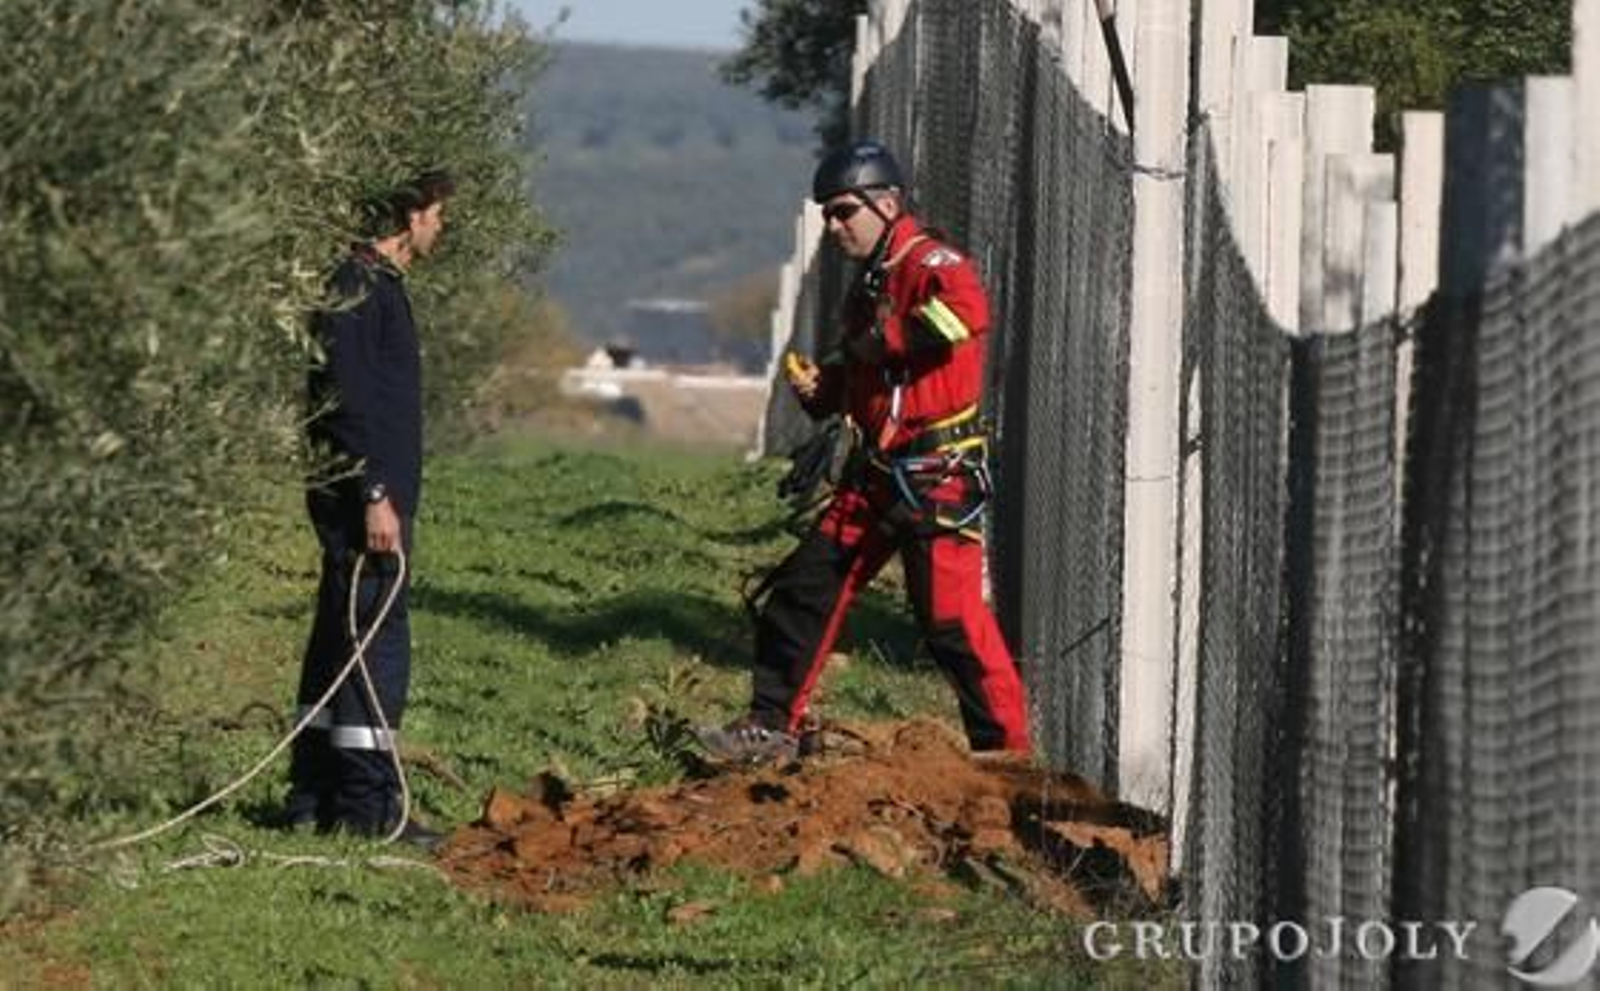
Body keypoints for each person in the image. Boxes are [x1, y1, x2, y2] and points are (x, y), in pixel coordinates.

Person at [699, 140, 1032, 763]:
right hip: (876, 476)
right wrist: (824, 389)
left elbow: (966, 313)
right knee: (803, 591)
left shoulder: (931, 261)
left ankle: (1008, 761)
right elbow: (865, 374)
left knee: (951, 622)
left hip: (938, 475)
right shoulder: (866, 287)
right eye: (826, 214)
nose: (833, 226)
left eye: (843, 211)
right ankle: (769, 728)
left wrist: (887, 338)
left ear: (887, 204)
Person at [279, 170, 453, 847]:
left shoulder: (372, 285)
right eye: (438, 214)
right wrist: (375, 493)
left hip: (363, 492)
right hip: (365, 501)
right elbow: (345, 400)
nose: (440, 227)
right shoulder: (356, 288)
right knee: (374, 642)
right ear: (412, 217)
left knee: (339, 634)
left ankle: (314, 795)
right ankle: (367, 804)